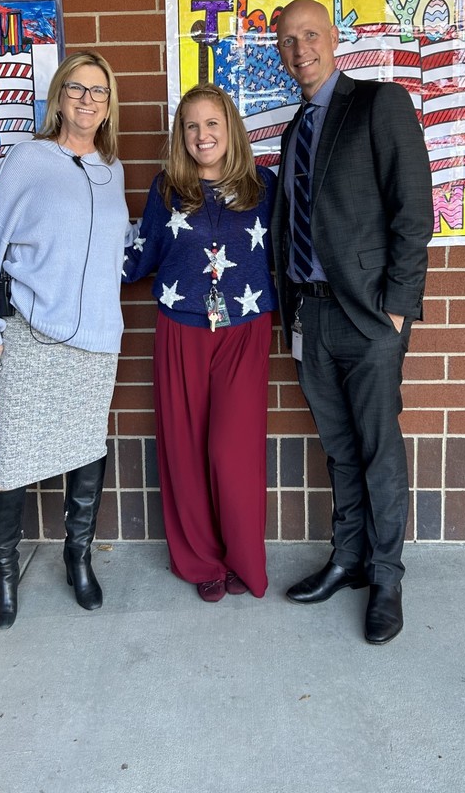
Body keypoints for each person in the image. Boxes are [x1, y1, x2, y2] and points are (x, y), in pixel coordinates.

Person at [271, 0, 434, 644]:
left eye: (310, 34)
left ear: (334, 39)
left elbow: (412, 210)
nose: (300, 49)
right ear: (279, 52)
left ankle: (387, 578)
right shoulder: (294, 129)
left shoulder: (378, 103)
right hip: (310, 315)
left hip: (368, 316)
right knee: (339, 449)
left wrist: (397, 306)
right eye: (288, 40)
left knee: (377, 449)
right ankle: (348, 559)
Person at [0, 50, 132, 630]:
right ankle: (4, 572)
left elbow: (111, 249)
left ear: (109, 106)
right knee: (11, 456)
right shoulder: (29, 159)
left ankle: (77, 557)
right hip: (32, 333)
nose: (88, 100)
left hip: (97, 341)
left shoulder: (112, 170)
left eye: (99, 91)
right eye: (76, 88)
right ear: (59, 97)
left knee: (87, 447)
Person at [123, 83, 277, 602]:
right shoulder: (167, 189)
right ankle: (200, 561)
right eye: (191, 126)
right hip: (181, 330)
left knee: (233, 453)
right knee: (185, 450)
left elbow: (292, 252)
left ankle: (242, 557)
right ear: (180, 135)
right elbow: (138, 256)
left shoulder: (263, 187)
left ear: (230, 128)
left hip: (245, 332)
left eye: (212, 123)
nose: (202, 135)